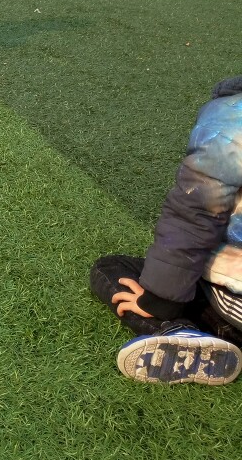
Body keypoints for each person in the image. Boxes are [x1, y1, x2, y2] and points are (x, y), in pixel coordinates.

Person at [89, 76, 242, 385]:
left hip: (232, 302)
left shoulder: (231, 116)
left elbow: (195, 213)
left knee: (112, 269)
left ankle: (177, 332)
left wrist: (160, 301)